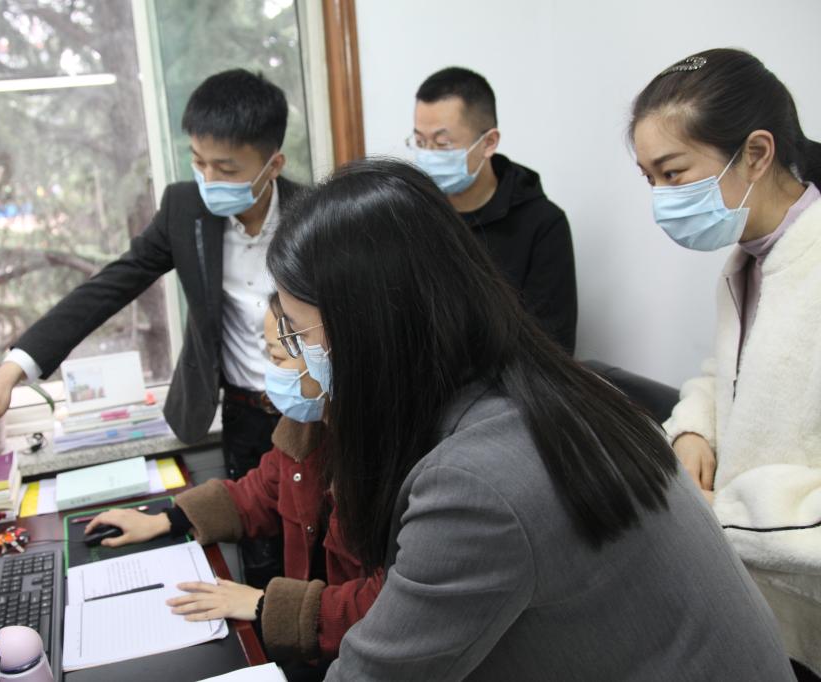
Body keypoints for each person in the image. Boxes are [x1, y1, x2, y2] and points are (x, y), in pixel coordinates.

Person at [266, 158, 793, 681]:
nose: (297, 354)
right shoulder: (542, 388)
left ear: (372, 330)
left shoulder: (474, 484)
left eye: (298, 334)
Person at [0, 69, 307, 585]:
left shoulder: (317, 214)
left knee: (318, 550)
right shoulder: (185, 209)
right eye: (199, 162)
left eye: (226, 169)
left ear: (273, 164)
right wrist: (10, 372)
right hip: (244, 414)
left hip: (314, 415)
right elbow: (109, 287)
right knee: (258, 557)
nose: (208, 180)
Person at [631, 48, 821, 679]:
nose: (660, 200)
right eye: (648, 179)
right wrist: (693, 429)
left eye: (673, 173)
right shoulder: (749, 257)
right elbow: (731, 372)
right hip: (758, 602)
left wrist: (721, 515)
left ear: (757, 154)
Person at [84, 296, 381, 679]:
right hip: (316, 646)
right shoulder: (307, 425)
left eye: (277, 357)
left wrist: (262, 604)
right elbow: (261, 491)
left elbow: (382, 605)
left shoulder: (385, 461)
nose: (269, 372)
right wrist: (168, 520)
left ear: (328, 357)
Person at [410, 66, 577, 353]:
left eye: (442, 144)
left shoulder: (543, 225)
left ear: (488, 143)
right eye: (420, 142)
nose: (428, 155)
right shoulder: (414, 215)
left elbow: (551, 347)